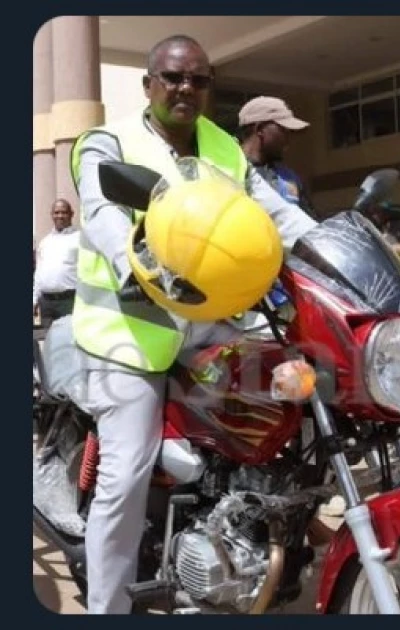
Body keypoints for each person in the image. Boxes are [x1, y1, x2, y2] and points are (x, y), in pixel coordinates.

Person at [69, 34, 316, 614]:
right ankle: (108, 606)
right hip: (128, 333)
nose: (186, 89)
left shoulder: (224, 149)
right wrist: (134, 262)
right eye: (174, 78)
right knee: (126, 471)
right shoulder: (107, 140)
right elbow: (103, 214)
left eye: (198, 80)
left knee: (292, 398)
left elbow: (275, 215)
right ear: (149, 84)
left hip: (206, 324)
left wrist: (334, 248)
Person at [238, 95, 316, 216]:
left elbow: (311, 228)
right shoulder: (229, 170)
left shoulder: (290, 178)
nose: (288, 140)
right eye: (283, 130)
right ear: (259, 129)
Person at [33, 199, 80, 328]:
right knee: (50, 342)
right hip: (46, 303)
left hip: (69, 301)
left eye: (64, 212)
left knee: (69, 341)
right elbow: (39, 272)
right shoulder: (45, 242)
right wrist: (34, 299)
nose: (60, 216)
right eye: (56, 212)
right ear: (52, 215)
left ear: (71, 214)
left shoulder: (80, 238)